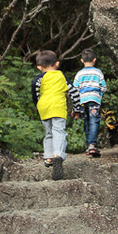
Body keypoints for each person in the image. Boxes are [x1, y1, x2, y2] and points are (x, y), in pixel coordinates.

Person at [31, 50, 81, 180]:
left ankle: (48, 157)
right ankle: (58, 155)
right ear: (57, 64)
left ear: (39, 67)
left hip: (44, 108)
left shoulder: (38, 79)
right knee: (59, 131)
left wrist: (38, 107)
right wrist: (77, 108)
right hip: (58, 107)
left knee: (49, 133)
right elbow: (74, 93)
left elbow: (35, 95)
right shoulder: (62, 77)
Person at [73, 48, 107, 157]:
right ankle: (92, 145)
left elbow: (75, 90)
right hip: (94, 100)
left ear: (82, 61)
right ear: (95, 60)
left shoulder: (79, 74)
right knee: (94, 121)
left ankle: (89, 146)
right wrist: (99, 96)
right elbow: (103, 87)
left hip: (82, 101)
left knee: (86, 122)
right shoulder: (98, 72)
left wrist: (75, 107)